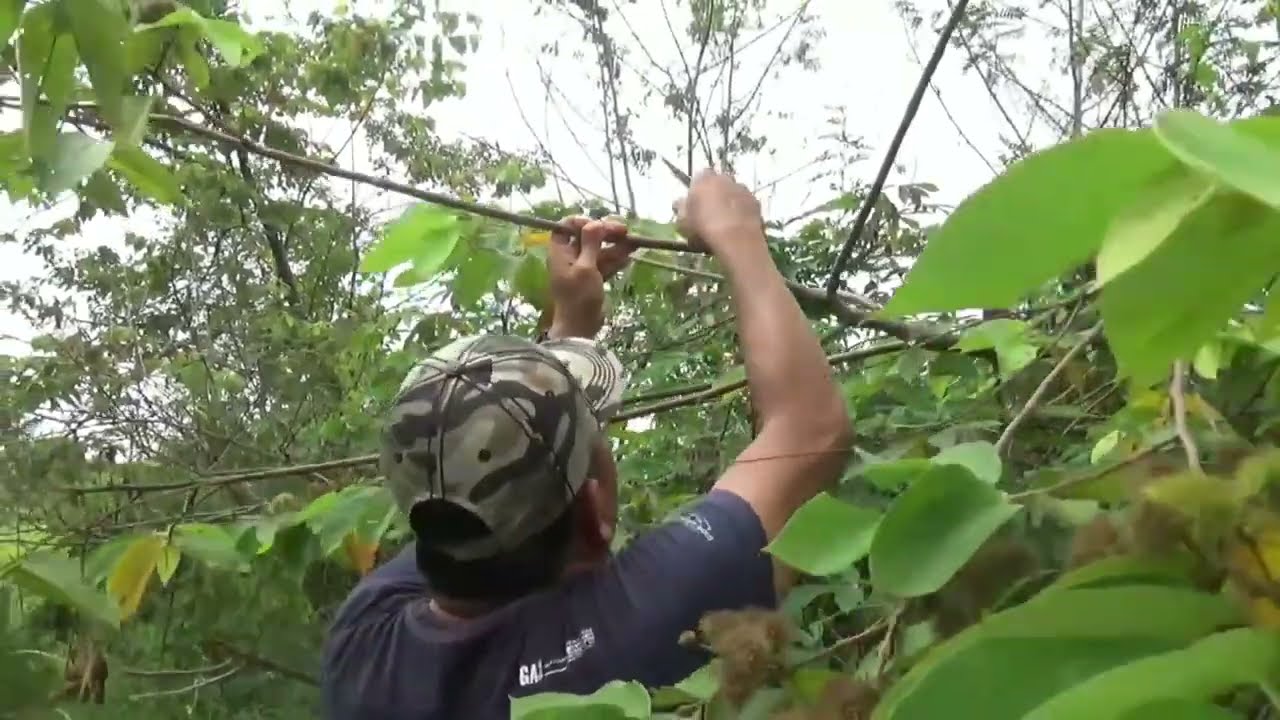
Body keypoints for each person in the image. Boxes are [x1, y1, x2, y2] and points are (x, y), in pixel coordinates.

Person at [320, 171, 853, 719]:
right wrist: (737, 232)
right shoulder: (644, 618)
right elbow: (809, 428)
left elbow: (483, 480)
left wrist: (569, 328)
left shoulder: (363, 643)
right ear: (595, 516)